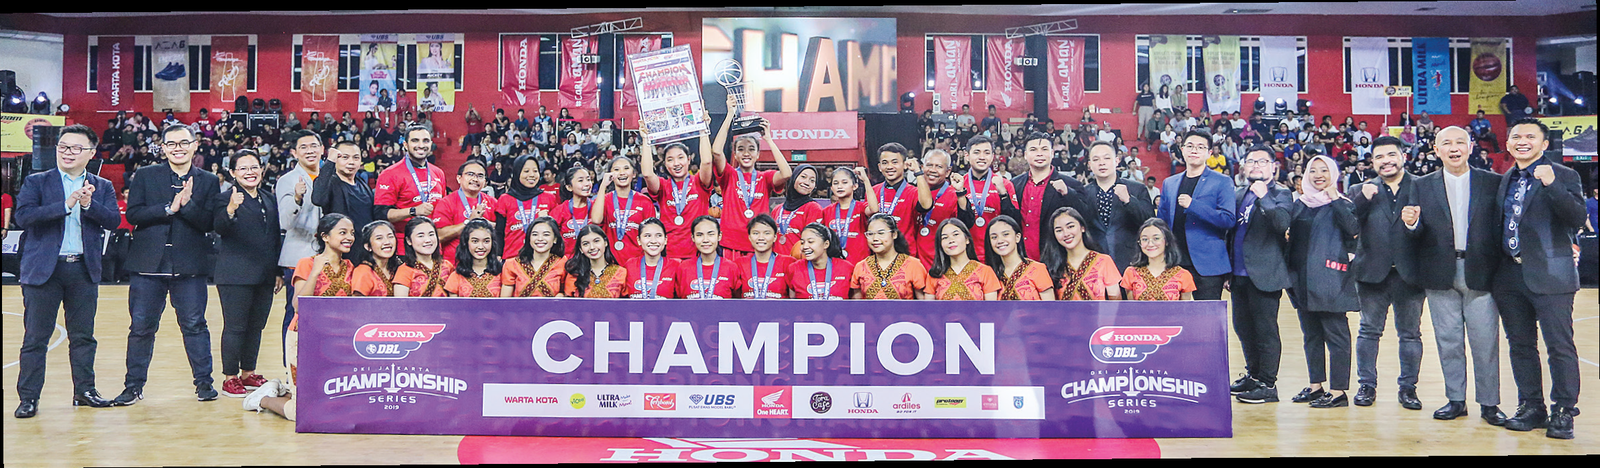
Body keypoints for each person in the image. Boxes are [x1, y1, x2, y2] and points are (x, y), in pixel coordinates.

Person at [13, 125, 122, 417]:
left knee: (83, 337)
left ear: (91, 153)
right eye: (63, 146)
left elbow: (113, 221)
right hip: (43, 272)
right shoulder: (37, 181)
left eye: (76, 148)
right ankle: (29, 398)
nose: (68, 152)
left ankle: (84, 391)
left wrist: (88, 205)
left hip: (83, 270)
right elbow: (23, 216)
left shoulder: (102, 186)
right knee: (36, 338)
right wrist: (66, 204)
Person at [1401, 126, 1507, 423]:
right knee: (1448, 341)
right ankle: (1456, 400)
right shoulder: (1421, 185)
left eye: (1460, 142)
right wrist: (1411, 224)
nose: (1454, 147)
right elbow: (1416, 233)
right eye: (1446, 143)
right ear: (1436, 150)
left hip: (1481, 271)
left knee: (1485, 343)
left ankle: (1489, 404)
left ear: (1471, 147)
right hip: (1439, 273)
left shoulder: (1492, 182)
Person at [1493, 118, 1585, 439]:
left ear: (1544, 144)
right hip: (1509, 275)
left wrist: (1552, 184)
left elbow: (1577, 218)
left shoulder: (1564, 174)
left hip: (1551, 275)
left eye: (1530, 136)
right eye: (1516, 136)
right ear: (1508, 144)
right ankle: (1531, 406)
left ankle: (1564, 410)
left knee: (1559, 345)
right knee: (1520, 345)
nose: (1522, 141)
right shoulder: (1505, 179)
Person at [119, 124, 223, 405]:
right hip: (147, 265)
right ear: (163, 148)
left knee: (195, 325)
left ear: (195, 145)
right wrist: (169, 208)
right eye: (172, 144)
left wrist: (186, 206)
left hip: (189, 265)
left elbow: (209, 223)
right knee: (141, 328)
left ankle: (204, 384)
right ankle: (133, 386)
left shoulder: (208, 180)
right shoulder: (145, 175)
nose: (178, 148)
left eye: (184, 143)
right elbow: (134, 214)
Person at [1343, 135, 1425, 410]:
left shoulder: (1422, 186)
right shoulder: (1359, 189)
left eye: (1391, 155)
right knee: (1368, 331)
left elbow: (1433, 229)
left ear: (1403, 156)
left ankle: (1408, 388)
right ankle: (1366, 385)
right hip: (1371, 273)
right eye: (1379, 157)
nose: (1385, 161)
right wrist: (1363, 200)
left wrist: (1413, 225)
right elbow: (1349, 225)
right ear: (1372, 161)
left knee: (1410, 334)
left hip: (1410, 273)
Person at [1287, 154, 1360, 409]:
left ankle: (1338, 391)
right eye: (1313, 171)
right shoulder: (1300, 204)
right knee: (1311, 335)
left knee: (1337, 336)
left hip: (1331, 280)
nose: (1318, 175)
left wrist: (1335, 198)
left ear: (1333, 174)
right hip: (1301, 279)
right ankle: (1316, 385)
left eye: (1324, 170)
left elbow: (1353, 230)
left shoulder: (1343, 203)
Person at [211, 151, 284, 398]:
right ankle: (230, 377)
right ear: (232, 173)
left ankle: (248, 372)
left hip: (264, 274)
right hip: (235, 275)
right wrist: (231, 209)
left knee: (256, 326)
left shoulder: (268, 197)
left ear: (262, 169)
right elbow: (220, 228)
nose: (249, 172)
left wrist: (277, 271)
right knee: (235, 327)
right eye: (242, 168)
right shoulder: (224, 198)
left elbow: (274, 237)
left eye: (254, 167)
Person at [1226, 146, 1295, 404]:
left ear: (1273, 167)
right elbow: (1231, 234)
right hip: (1238, 273)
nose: (1256, 165)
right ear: (1243, 167)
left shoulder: (1281, 193)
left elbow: (1282, 224)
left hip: (1265, 273)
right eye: (1251, 161)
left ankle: (1268, 384)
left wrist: (1264, 196)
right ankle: (1253, 375)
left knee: (1266, 330)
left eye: (1262, 161)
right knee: (1243, 328)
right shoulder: (1238, 193)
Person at [1156, 131, 1237, 300]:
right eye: (1190, 146)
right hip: (1175, 262)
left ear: (1209, 153)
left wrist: (1193, 205)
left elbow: (1228, 220)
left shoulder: (1222, 181)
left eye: (1200, 147)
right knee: (1174, 314)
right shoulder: (1170, 183)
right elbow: (1162, 222)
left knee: (1208, 315)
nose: (1194, 150)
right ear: (1182, 149)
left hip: (1208, 264)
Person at [1002, 132, 1094, 262]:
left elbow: (1086, 218)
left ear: (1052, 153)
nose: (1039, 154)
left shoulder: (1071, 184)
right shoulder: (1014, 185)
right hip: (1021, 260)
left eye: (1044, 149)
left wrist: (1068, 193)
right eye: (1033, 150)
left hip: (1057, 260)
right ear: (1026, 155)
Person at [712, 116, 792, 258]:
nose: (746, 153)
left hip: (758, 243)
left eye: (751, 149)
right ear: (735, 154)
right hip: (732, 244)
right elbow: (717, 152)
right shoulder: (729, 175)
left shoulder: (765, 177)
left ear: (758, 154)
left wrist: (769, 140)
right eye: (741, 149)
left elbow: (786, 173)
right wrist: (729, 115)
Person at [275, 131, 324, 351]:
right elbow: (285, 222)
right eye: (303, 147)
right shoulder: (288, 180)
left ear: (322, 149)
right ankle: (291, 364)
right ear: (295, 153)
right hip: (299, 257)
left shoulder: (331, 176)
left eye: (314, 146)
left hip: (328, 257)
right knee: (296, 313)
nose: (310, 151)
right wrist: (297, 198)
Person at [641, 130, 715, 260]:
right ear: (665, 164)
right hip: (669, 255)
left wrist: (703, 132)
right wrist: (645, 139)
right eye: (670, 160)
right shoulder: (663, 186)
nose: (676, 163)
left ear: (689, 159)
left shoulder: (699, 182)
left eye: (680, 158)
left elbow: (707, 162)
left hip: (698, 253)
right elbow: (647, 174)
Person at [1082, 141, 1155, 272]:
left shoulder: (1137, 189)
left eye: (1106, 158)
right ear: (1089, 165)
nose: (1102, 163)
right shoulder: (1083, 193)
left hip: (1130, 264)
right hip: (1095, 266)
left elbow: (1150, 223)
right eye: (1096, 159)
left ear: (1116, 161)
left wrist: (1129, 201)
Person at [956, 136, 1016, 263]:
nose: (982, 157)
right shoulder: (958, 185)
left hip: (997, 255)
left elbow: (1014, 222)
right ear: (967, 156)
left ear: (993, 156)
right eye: (977, 152)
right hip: (966, 256)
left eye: (987, 153)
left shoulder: (1005, 184)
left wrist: (1003, 193)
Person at [1041, 207, 1121, 301]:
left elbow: (1115, 303)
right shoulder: (1051, 265)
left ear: (1082, 228)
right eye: (1059, 230)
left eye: (1070, 227)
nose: (1066, 233)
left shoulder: (1103, 261)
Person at [376, 126, 447, 232]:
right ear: (405, 145)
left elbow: (443, 207)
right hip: (404, 238)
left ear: (431, 144)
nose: (421, 145)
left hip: (433, 237)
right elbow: (381, 214)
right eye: (415, 140)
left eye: (426, 141)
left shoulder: (438, 173)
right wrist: (413, 211)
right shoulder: (390, 174)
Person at [591, 156, 657, 261]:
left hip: (637, 261)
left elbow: (651, 235)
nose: (622, 173)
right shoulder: (603, 200)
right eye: (616, 169)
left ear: (634, 173)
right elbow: (596, 220)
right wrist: (603, 185)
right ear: (610, 175)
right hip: (609, 262)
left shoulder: (645, 201)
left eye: (626, 168)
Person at [311, 140, 378, 242]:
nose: (351, 162)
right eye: (345, 157)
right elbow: (318, 199)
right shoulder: (330, 182)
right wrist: (329, 162)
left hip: (364, 245)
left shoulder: (363, 184)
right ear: (336, 159)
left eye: (356, 158)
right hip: (341, 245)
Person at [851, 213, 929, 299]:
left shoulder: (913, 265)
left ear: (894, 234)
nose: (875, 238)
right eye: (870, 234)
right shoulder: (861, 267)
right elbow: (856, 304)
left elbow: (924, 303)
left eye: (881, 233)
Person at [434, 160, 498, 265]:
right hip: (454, 264)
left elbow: (503, 231)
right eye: (470, 174)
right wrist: (469, 222)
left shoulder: (493, 202)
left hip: (485, 265)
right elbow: (439, 236)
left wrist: (488, 225)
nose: (475, 179)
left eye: (480, 176)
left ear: (485, 181)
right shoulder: (446, 202)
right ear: (459, 178)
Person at [495, 154, 558, 260]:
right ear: (517, 172)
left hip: (543, 259)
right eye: (526, 171)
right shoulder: (505, 199)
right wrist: (498, 255)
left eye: (535, 171)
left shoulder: (549, 198)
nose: (532, 175)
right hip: (512, 258)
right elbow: (499, 232)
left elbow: (556, 231)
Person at [924, 218, 1002, 300]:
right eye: (945, 238)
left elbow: (991, 306)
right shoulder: (935, 274)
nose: (951, 240)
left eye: (955, 234)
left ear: (967, 239)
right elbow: (929, 307)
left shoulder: (985, 271)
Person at [1120, 218, 1196, 301]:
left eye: (1156, 238)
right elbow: (1131, 307)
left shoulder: (1183, 275)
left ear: (1167, 241)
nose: (1150, 244)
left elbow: (1186, 308)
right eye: (1145, 239)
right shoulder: (1131, 273)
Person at [911, 149, 962, 265]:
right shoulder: (912, 192)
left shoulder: (954, 195)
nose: (933, 170)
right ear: (922, 167)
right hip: (914, 263)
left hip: (941, 264)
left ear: (948, 172)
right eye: (929, 165)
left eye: (939, 166)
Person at [822, 167, 880, 263]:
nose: (839, 186)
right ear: (831, 188)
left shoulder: (861, 207)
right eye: (836, 183)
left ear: (855, 186)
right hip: (835, 265)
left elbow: (874, 209)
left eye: (844, 182)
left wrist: (865, 180)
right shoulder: (826, 211)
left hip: (861, 263)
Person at [676, 215, 744, 299]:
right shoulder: (683, 268)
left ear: (719, 236)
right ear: (693, 237)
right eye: (699, 235)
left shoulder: (731, 268)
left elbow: (737, 300)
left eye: (711, 234)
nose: (705, 240)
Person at [501, 217, 567, 297]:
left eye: (546, 234)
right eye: (535, 234)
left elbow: (567, 293)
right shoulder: (512, 264)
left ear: (555, 239)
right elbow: (505, 301)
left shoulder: (563, 263)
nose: (540, 239)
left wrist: (561, 296)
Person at [787, 223, 854, 300]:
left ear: (826, 244)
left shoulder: (846, 268)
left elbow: (855, 302)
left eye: (810, 242)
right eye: (802, 242)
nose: (804, 246)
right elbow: (792, 304)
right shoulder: (794, 269)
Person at [773, 164, 824, 259]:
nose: (807, 183)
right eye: (803, 177)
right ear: (794, 178)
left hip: (798, 264)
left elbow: (813, 242)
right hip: (775, 263)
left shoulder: (813, 208)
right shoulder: (777, 209)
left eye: (812, 180)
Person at [443, 219, 504, 297]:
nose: (481, 246)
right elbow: (453, 304)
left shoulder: (502, 274)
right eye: (475, 241)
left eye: (486, 241)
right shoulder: (456, 276)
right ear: (466, 243)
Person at [564, 225, 627, 298]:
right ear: (581, 249)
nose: (592, 247)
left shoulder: (621, 273)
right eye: (586, 244)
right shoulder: (574, 274)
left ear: (605, 242)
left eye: (596, 241)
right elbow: (568, 303)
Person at [394, 217, 451, 297]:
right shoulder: (404, 270)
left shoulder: (447, 266)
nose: (428, 240)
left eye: (431, 234)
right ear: (409, 241)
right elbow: (400, 303)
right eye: (420, 236)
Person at [623, 218, 677, 299]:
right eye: (647, 236)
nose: (653, 241)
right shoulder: (630, 265)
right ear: (639, 240)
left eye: (658, 235)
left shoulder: (676, 266)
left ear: (665, 240)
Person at [741, 214, 793, 299]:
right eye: (756, 233)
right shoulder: (740, 264)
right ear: (749, 237)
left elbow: (794, 299)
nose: (761, 238)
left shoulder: (788, 263)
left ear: (775, 237)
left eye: (767, 233)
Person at [550, 166, 596, 257]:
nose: (587, 184)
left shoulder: (596, 208)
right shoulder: (560, 211)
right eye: (580, 180)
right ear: (569, 187)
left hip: (593, 261)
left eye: (588, 179)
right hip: (567, 262)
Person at [348, 220, 401, 297]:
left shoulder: (398, 268)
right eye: (379, 238)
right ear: (368, 246)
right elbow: (358, 302)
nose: (387, 242)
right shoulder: (363, 271)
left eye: (390, 236)